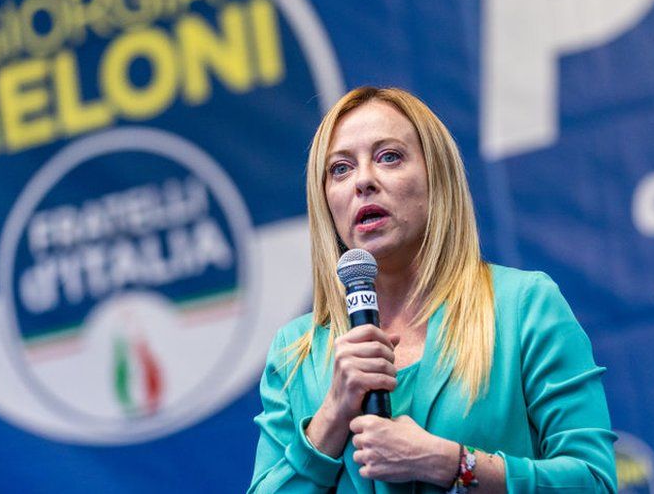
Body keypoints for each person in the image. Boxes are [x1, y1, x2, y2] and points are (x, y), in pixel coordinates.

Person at [248, 87, 616, 493]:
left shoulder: (523, 306)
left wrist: (451, 463)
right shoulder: (295, 353)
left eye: (389, 157)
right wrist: (331, 415)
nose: (363, 181)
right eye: (340, 169)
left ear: (436, 177)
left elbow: (594, 483)